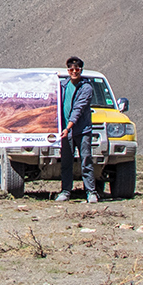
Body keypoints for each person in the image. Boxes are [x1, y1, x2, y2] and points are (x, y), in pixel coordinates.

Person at [54, 57, 99, 203]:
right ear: (67, 70)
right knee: (66, 162)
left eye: (77, 69)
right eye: (71, 69)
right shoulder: (62, 85)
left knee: (86, 160)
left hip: (82, 130)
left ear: (81, 70)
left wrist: (68, 127)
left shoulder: (86, 88)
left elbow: (78, 109)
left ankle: (91, 192)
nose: (74, 72)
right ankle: (65, 191)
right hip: (65, 131)